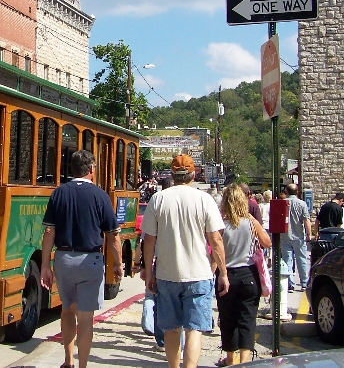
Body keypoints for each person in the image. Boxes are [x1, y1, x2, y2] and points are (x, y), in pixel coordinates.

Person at [141, 154, 229, 368]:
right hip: (199, 274)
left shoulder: (158, 199)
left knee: (171, 329)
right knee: (194, 330)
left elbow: (149, 240)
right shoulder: (205, 200)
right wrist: (223, 273)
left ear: (172, 175)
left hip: (167, 274)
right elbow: (215, 239)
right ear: (193, 174)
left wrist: (149, 274)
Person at [41, 149, 122, 368]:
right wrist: (118, 263)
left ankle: (68, 361)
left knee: (67, 309)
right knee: (85, 318)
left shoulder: (59, 193)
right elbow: (113, 235)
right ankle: (83, 365)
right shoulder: (100, 195)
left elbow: (49, 232)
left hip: (64, 258)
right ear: (92, 170)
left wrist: (45, 266)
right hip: (91, 260)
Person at [216, 184, 272, 366]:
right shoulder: (250, 223)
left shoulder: (221, 226)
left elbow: (215, 253)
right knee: (247, 319)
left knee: (228, 319)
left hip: (227, 275)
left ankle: (230, 359)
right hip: (249, 275)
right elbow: (267, 243)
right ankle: (245, 360)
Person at [280, 183, 311, 292]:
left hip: (284, 235)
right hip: (298, 236)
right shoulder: (302, 204)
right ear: (297, 192)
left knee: (287, 260)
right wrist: (309, 234)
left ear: (286, 192)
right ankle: (304, 283)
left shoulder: (282, 203)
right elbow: (306, 220)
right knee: (301, 259)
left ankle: (290, 283)